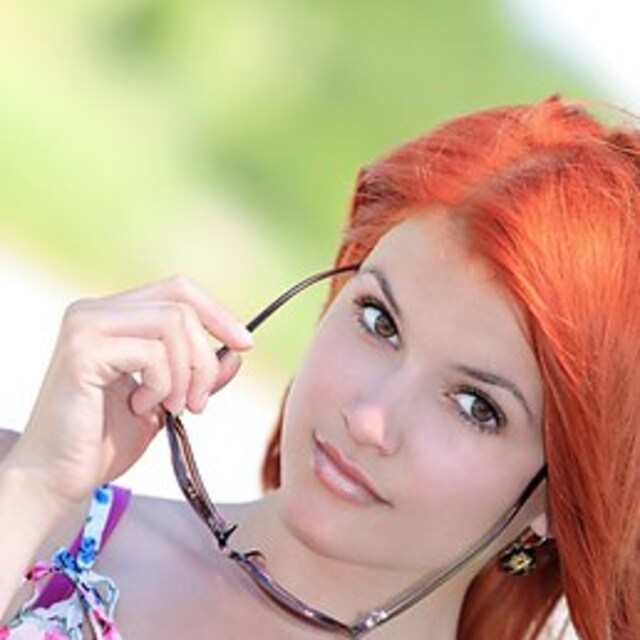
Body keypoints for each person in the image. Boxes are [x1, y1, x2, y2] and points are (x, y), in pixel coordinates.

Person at [0, 95, 637, 640]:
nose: (369, 419)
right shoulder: (28, 503)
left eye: (477, 407)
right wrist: (36, 488)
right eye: (379, 321)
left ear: (566, 496)